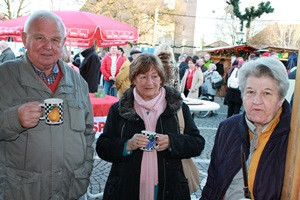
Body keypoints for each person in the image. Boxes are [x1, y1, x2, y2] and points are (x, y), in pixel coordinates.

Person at [0, 10, 95, 199]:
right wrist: (14, 119)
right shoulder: (4, 77)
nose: (48, 46)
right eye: (40, 38)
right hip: (21, 191)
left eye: (55, 39)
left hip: (70, 189)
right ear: (25, 38)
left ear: (63, 42)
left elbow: (88, 132)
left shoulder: (77, 81)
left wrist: (85, 171)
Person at [96, 53, 205, 200]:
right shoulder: (119, 109)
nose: (149, 82)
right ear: (134, 79)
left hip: (170, 189)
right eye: (143, 76)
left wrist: (172, 142)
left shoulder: (177, 108)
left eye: (154, 76)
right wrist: (127, 145)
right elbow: (103, 146)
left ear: (161, 79)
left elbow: (197, 143)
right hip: (126, 189)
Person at [201, 57, 290, 200]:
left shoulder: (293, 137)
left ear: (281, 99)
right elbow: (212, 183)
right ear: (242, 94)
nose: (256, 101)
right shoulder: (228, 127)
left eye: (266, 93)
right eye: (250, 92)